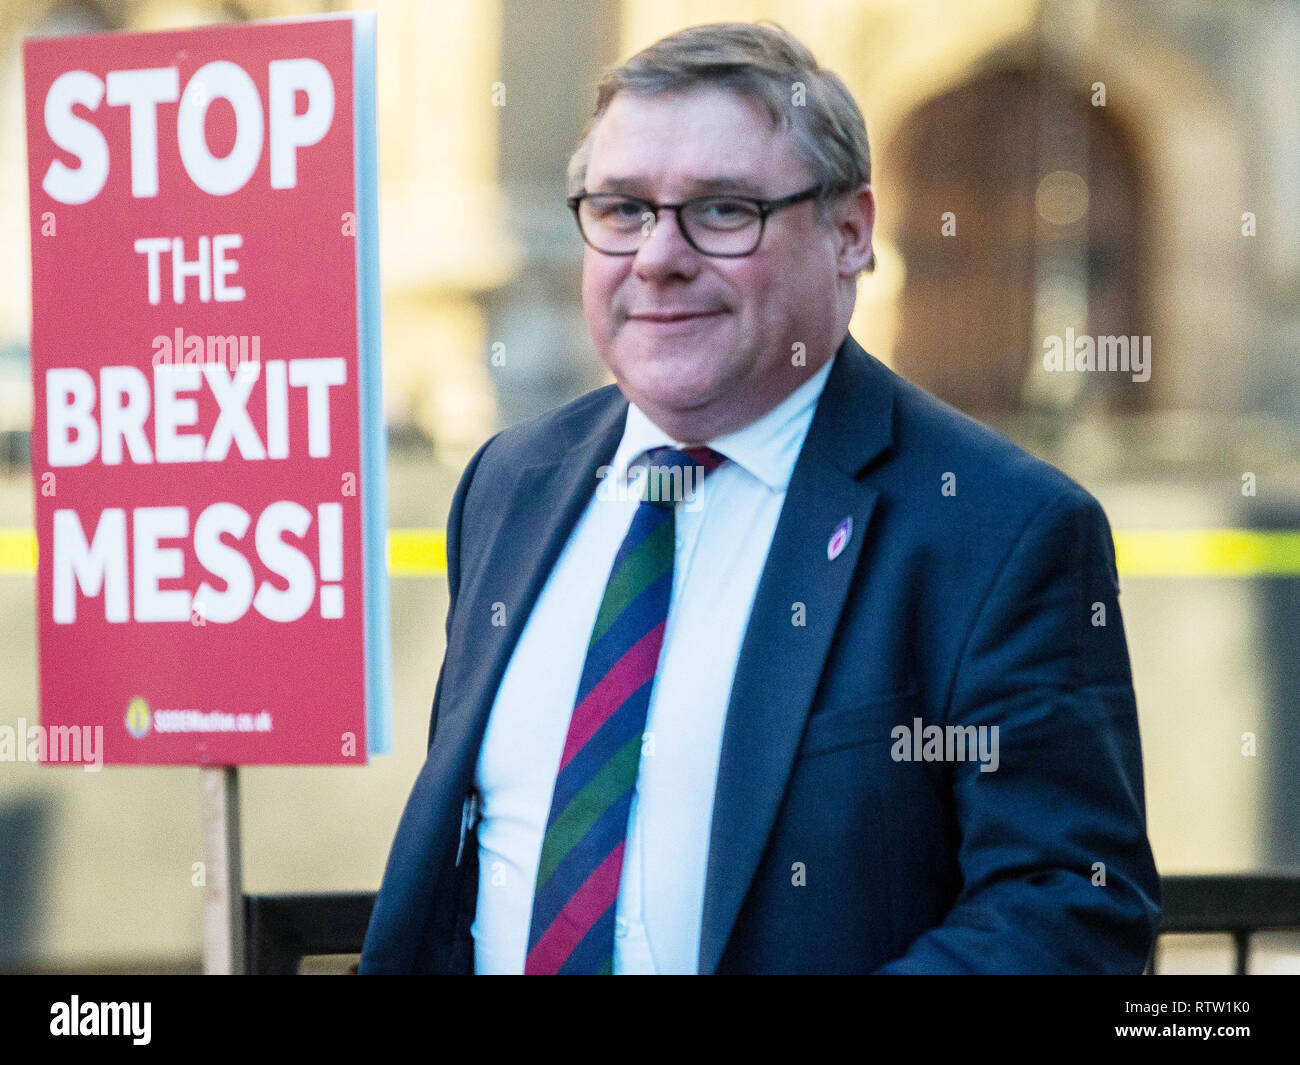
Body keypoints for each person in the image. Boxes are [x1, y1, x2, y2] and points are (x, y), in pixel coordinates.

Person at [360, 20, 1161, 974]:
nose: (658, 257)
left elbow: (1072, 903)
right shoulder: (510, 483)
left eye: (724, 210)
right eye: (622, 209)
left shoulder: (1002, 529)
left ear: (851, 233)